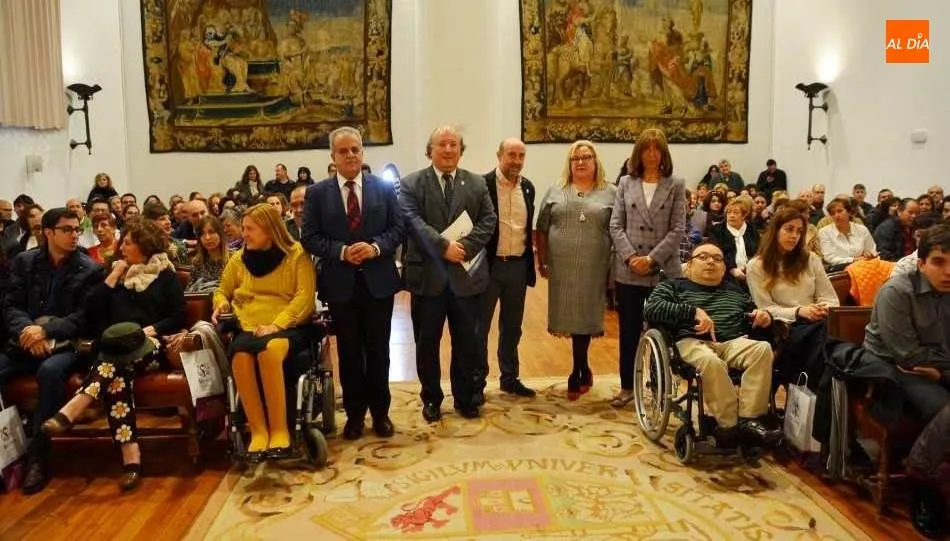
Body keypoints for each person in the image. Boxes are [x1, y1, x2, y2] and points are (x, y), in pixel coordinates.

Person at [41, 218, 185, 491]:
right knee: (117, 378)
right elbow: (92, 311)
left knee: (112, 365)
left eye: (129, 244)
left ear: (145, 245)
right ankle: (132, 460)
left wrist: (146, 332)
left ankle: (78, 407)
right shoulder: (114, 275)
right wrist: (113, 275)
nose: (122, 248)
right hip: (116, 350)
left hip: (151, 345)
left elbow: (177, 315)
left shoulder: (164, 274)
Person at [302, 126, 405, 439]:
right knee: (349, 353)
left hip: (379, 283)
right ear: (333, 156)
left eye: (355, 150)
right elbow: (310, 237)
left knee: (378, 351)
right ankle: (355, 416)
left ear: (363, 152)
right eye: (343, 151)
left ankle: (381, 413)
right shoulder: (318, 193)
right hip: (341, 286)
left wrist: (374, 247)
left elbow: (398, 228)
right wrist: (343, 251)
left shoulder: (383, 188)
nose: (350, 155)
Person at [398, 126, 497, 422]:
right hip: (428, 280)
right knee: (426, 344)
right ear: (430, 150)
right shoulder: (411, 183)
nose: (448, 149)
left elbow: (489, 220)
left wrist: (462, 248)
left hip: (466, 279)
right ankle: (431, 399)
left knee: (467, 343)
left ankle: (465, 398)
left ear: (461, 150)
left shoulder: (477, 184)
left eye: (454, 144)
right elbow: (412, 221)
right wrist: (443, 247)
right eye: (442, 144)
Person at [0, 208, 103, 494]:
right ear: (47, 233)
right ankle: (6, 454)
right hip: (25, 340)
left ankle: (38, 458)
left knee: (49, 371)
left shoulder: (89, 269)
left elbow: (83, 318)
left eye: (76, 230)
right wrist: (28, 331)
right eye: (67, 230)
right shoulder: (24, 262)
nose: (74, 235)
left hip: (66, 346)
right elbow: (11, 305)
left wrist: (46, 331)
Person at [644, 242, 782, 445]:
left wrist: (763, 315)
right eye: (703, 257)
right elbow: (652, 309)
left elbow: (752, 312)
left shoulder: (735, 290)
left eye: (717, 259)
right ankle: (729, 425)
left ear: (724, 268)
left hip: (733, 341)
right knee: (710, 361)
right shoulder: (672, 286)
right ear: (689, 264)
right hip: (693, 341)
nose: (711, 261)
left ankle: (749, 420)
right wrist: (692, 312)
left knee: (762, 349)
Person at [862, 223, 950, 538]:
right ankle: (923, 481)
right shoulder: (897, 291)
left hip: (934, 370)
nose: (948, 271)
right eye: (940, 262)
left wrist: (942, 372)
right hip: (892, 371)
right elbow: (908, 355)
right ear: (921, 262)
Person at [212, 204, 316, 457]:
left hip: (287, 325)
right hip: (248, 324)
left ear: (269, 230)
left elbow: (304, 297)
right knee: (240, 357)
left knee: (269, 352)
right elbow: (221, 290)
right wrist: (221, 303)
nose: (243, 234)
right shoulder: (239, 259)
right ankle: (259, 431)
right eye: (244, 228)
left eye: (250, 229)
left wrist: (277, 324)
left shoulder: (296, 255)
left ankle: (280, 430)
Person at [609, 128, 685, 407]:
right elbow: (615, 225)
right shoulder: (626, 183)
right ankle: (627, 387)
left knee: (663, 333)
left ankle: (660, 386)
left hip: (663, 270)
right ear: (638, 153)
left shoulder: (676, 184)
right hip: (629, 271)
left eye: (657, 149)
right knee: (628, 332)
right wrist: (631, 258)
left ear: (663, 153)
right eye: (646, 149)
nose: (652, 155)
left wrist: (652, 259)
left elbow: (678, 229)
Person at [537, 140, 616, 400]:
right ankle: (581, 367)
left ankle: (578, 369)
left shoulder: (611, 192)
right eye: (575, 158)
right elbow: (542, 227)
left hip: (595, 265)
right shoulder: (555, 190)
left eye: (586, 157)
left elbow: (617, 229)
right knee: (570, 315)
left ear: (596, 162)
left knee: (586, 315)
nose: (580, 162)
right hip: (562, 266)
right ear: (569, 164)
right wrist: (543, 260)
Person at [475, 138, 538, 401]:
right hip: (489, 267)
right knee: (480, 327)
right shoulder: (482, 185)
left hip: (517, 267)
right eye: (511, 154)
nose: (516, 160)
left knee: (512, 327)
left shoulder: (528, 188)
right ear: (499, 155)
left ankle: (509, 378)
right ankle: (476, 381)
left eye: (521, 155)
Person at [747, 207, 839, 383]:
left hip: (818, 321)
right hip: (785, 327)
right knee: (826, 342)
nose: (794, 236)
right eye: (789, 229)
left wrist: (822, 308)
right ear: (775, 230)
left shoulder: (810, 259)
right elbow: (765, 308)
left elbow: (830, 298)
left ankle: (817, 394)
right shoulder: (756, 266)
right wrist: (799, 311)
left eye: (799, 231)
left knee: (828, 338)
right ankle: (816, 394)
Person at [818, 197, 877, 270]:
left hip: (864, 267)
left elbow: (872, 250)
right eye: (832, 213)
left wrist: (870, 254)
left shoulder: (862, 229)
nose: (836, 215)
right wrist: (854, 260)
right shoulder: (824, 232)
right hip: (840, 271)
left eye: (840, 211)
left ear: (849, 212)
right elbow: (829, 258)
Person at [710, 197, 757, 284]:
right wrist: (732, 269)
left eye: (735, 213)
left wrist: (749, 268)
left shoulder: (752, 229)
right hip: (725, 274)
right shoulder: (717, 230)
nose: (731, 215)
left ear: (744, 215)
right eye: (729, 212)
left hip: (752, 272)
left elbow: (758, 252)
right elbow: (716, 254)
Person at [186, 216, 231, 293]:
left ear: (220, 234)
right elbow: (189, 293)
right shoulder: (197, 262)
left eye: (211, 232)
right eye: (203, 234)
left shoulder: (233, 259)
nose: (207, 238)